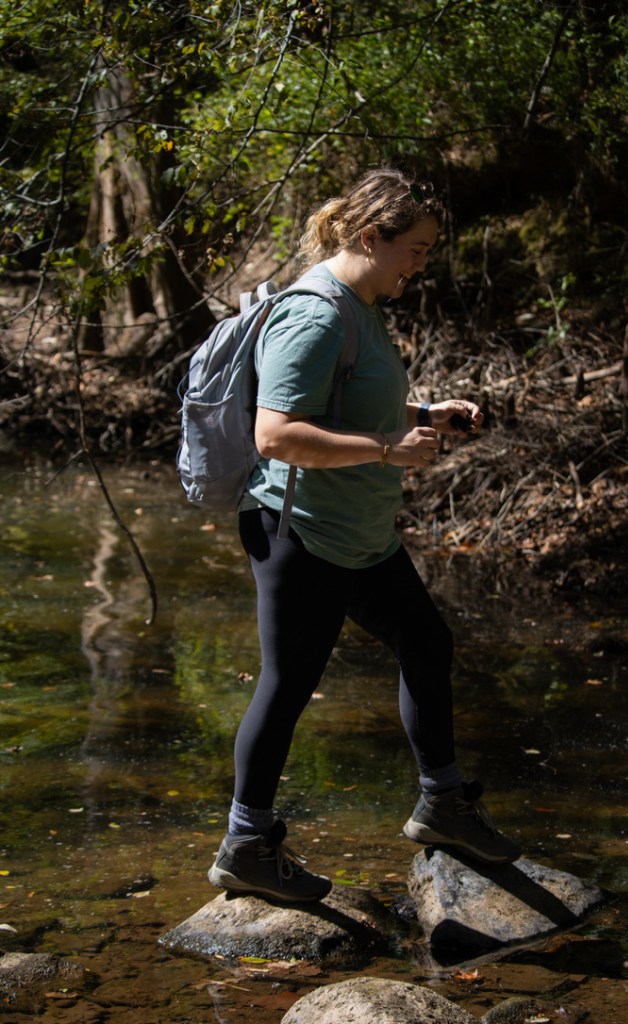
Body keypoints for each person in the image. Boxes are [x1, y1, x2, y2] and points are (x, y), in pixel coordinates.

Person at [208, 168, 521, 903]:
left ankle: (441, 805)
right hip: (300, 530)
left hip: (356, 531)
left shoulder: (360, 305)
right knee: (287, 685)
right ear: (368, 237)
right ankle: (244, 845)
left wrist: (422, 415)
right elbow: (277, 433)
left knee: (425, 641)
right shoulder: (316, 314)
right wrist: (387, 450)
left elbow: (345, 401)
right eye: (412, 249)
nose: (421, 262)